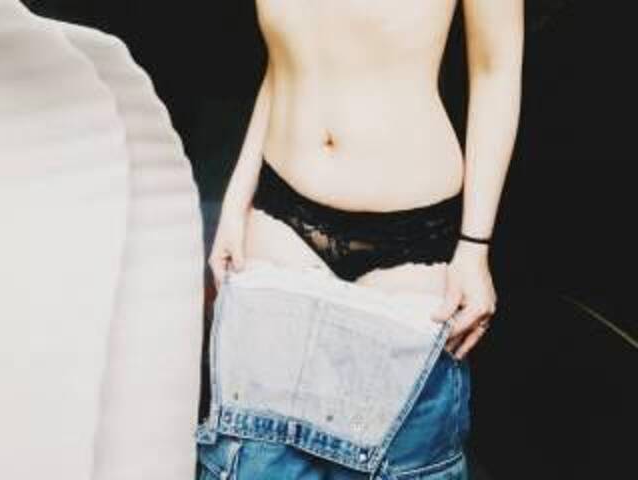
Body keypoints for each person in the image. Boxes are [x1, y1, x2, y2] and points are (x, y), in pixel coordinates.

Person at [200, 1, 524, 479]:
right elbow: (285, 58)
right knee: (253, 461)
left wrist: (475, 247)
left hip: (410, 243)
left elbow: (496, 69)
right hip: (279, 218)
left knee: (398, 462)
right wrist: (236, 199)